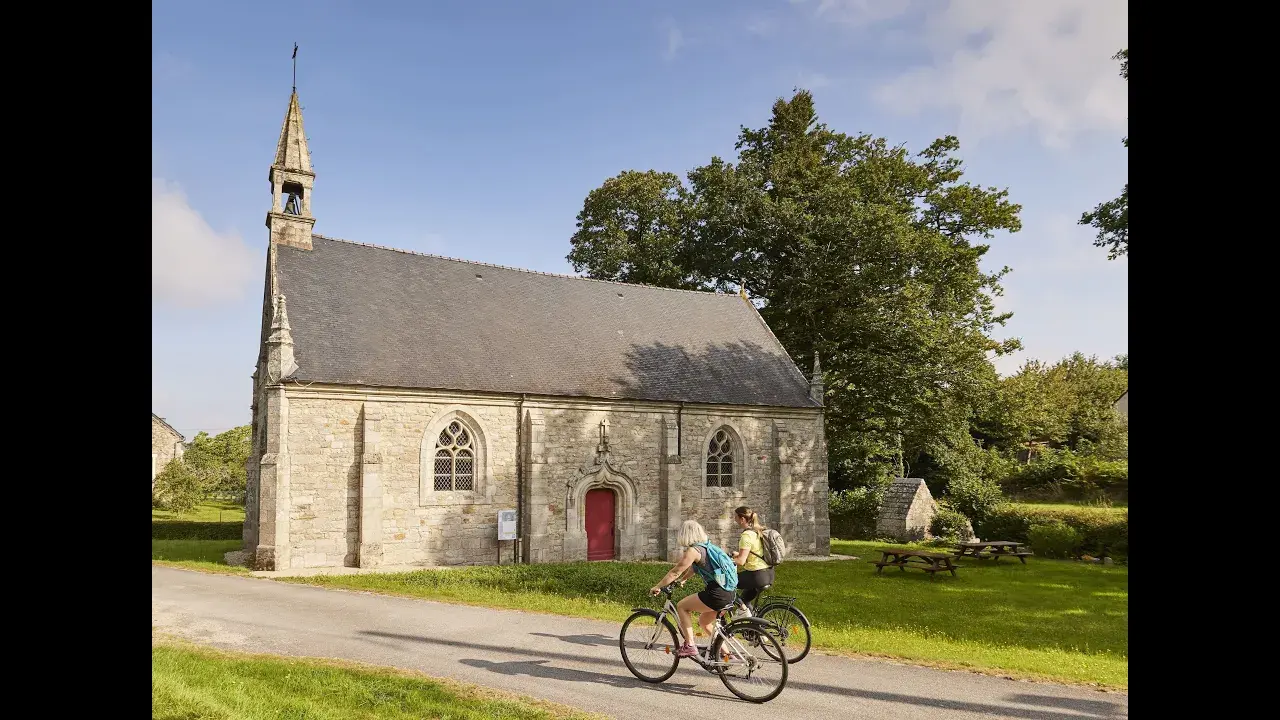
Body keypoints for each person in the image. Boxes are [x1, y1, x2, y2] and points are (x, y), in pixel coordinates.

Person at [649, 519, 738, 658]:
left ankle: (690, 645)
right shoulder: (707, 547)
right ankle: (727, 654)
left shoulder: (693, 550)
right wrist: (683, 579)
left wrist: (658, 586)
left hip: (716, 593)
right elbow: (694, 568)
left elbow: (675, 571)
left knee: (682, 606)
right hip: (729, 592)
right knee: (704, 622)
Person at [730, 506, 774, 607]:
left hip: (756, 576)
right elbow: (755, 552)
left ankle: (743, 612)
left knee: (725, 582)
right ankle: (752, 621)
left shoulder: (746, 535)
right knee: (745, 600)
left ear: (742, 519)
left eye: (736, 517)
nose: (734, 519)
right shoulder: (758, 531)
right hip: (768, 573)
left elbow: (741, 561)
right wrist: (738, 555)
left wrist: (725, 561)